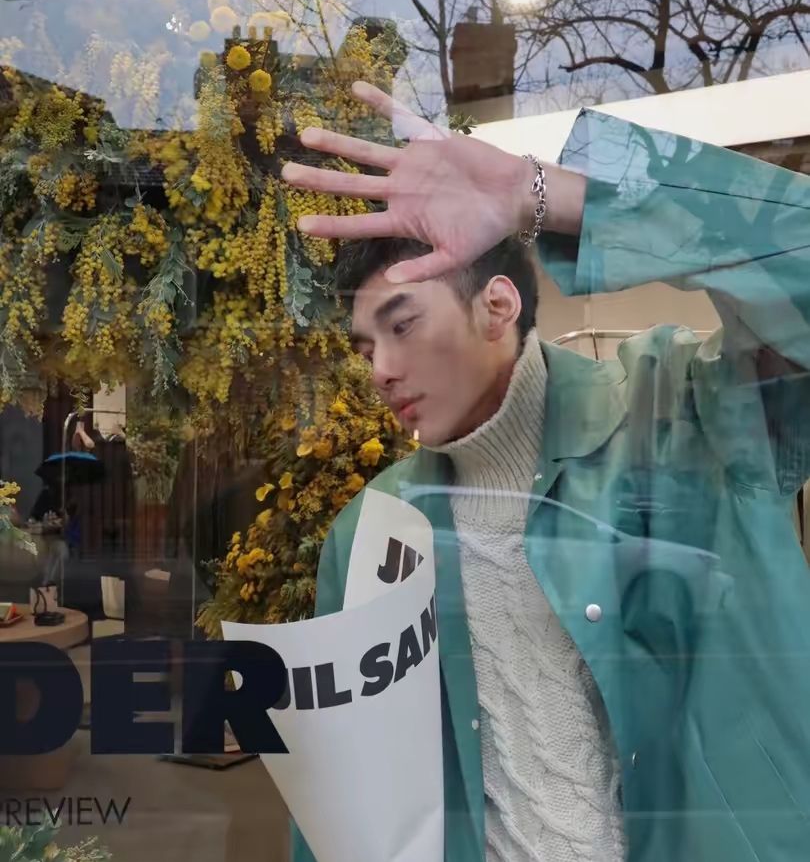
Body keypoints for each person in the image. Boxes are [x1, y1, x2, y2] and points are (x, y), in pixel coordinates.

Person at [283, 82, 810, 862]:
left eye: (403, 325)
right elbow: (346, 800)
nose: (381, 370)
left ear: (497, 306)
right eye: (366, 349)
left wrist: (546, 195)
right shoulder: (375, 534)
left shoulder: (679, 416)